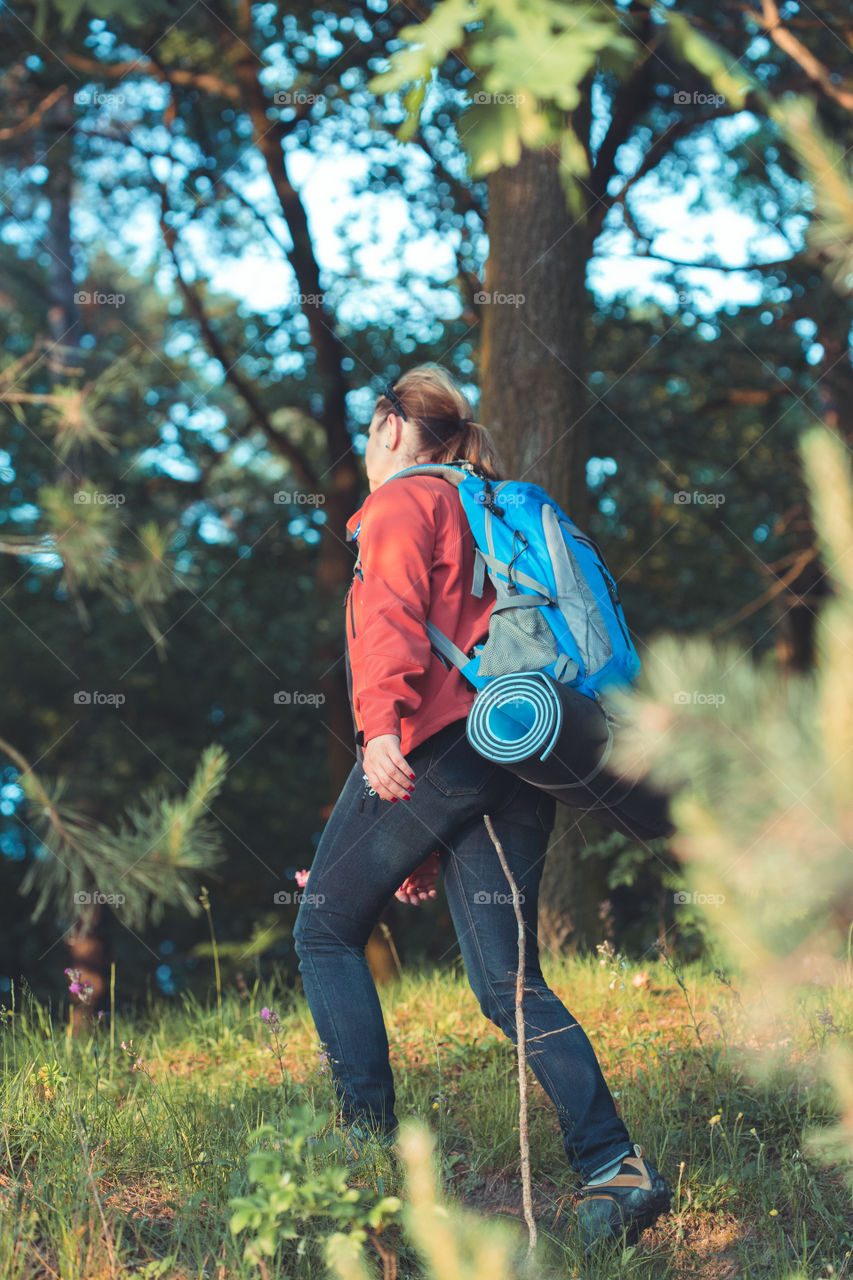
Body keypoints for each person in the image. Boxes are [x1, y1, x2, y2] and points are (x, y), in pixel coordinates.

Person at [293, 363, 672, 1247]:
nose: (366, 443)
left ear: (390, 424)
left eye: (368, 427)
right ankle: (615, 1168)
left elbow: (389, 613)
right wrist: (421, 843)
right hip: (513, 746)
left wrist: (378, 727)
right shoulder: (479, 500)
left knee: (322, 927)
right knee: (506, 984)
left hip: (434, 741)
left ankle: (365, 1163)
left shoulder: (398, 503)